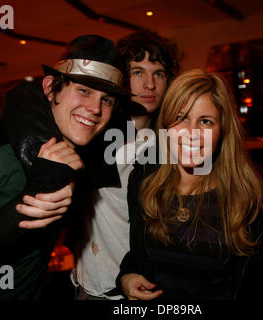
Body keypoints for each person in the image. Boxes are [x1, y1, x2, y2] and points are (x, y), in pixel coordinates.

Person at [0, 34, 128, 300]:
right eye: (84, 90)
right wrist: (38, 192)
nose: (95, 108)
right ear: (50, 88)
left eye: (107, 100)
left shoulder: (81, 161)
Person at [117, 69, 263, 300]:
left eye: (205, 121)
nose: (192, 133)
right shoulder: (145, 183)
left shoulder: (256, 208)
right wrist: (126, 277)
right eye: (181, 118)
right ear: (166, 126)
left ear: (222, 130)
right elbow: (138, 256)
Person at [66, 29, 183, 300]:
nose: (150, 85)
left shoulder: (172, 148)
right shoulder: (92, 131)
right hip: (82, 285)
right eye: (138, 72)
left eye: (159, 74)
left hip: (133, 293)